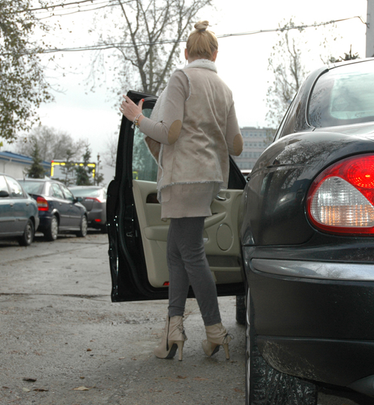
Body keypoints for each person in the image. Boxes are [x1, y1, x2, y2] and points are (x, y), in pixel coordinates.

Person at [119, 20, 243, 362]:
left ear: (186, 53)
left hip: (182, 177)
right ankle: (173, 332)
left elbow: (168, 132)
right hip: (208, 178)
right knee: (177, 253)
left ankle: (216, 332)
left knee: (190, 253)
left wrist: (136, 117)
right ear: (215, 53)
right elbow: (236, 145)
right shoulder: (224, 88)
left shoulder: (182, 77)